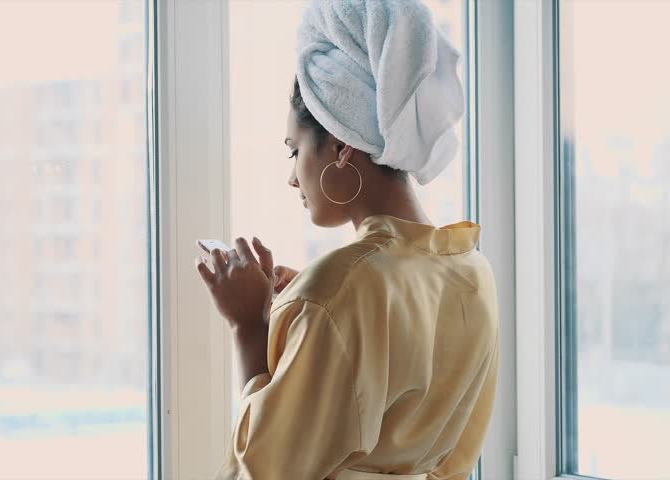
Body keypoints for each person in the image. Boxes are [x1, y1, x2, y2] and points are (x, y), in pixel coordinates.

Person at [195, 1, 499, 479]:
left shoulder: (341, 289)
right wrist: (307, 313)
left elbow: (265, 471)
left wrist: (250, 327)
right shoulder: (473, 271)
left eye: (294, 151)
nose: (293, 178)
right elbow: (456, 460)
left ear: (340, 146)